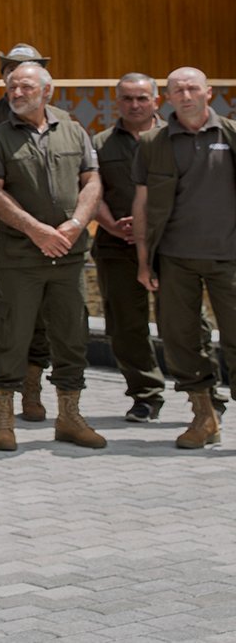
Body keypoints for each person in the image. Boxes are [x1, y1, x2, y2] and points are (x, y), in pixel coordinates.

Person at [0, 62, 105, 452]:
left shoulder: (74, 131)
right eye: (12, 87)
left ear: (47, 91)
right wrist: (37, 231)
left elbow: (92, 180)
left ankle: (69, 417)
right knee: (11, 335)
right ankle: (3, 420)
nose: (16, 93)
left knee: (71, 335)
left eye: (25, 87)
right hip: (20, 257)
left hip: (67, 254)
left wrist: (77, 223)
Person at [135, 66, 236, 450]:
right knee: (180, 339)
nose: (186, 95)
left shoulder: (230, 134)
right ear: (167, 98)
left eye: (193, 88)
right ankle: (203, 416)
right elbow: (142, 204)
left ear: (209, 92)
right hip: (175, 258)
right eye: (178, 90)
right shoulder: (153, 142)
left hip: (229, 256)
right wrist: (144, 260)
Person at [0, 42, 59, 421]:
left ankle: (31, 390)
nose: (15, 77)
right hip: (0, 230)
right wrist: (20, 214)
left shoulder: (59, 119)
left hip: (49, 232)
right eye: (9, 70)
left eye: (24, 70)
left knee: (43, 311)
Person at [91, 74, 168, 422]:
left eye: (142, 98)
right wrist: (111, 224)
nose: (134, 105)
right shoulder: (100, 143)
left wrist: (152, 228)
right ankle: (145, 394)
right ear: (117, 101)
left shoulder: (175, 139)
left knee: (183, 323)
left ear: (156, 101)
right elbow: (91, 190)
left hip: (170, 247)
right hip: (116, 245)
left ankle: (203, 395)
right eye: (127, 98)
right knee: (125, 325)